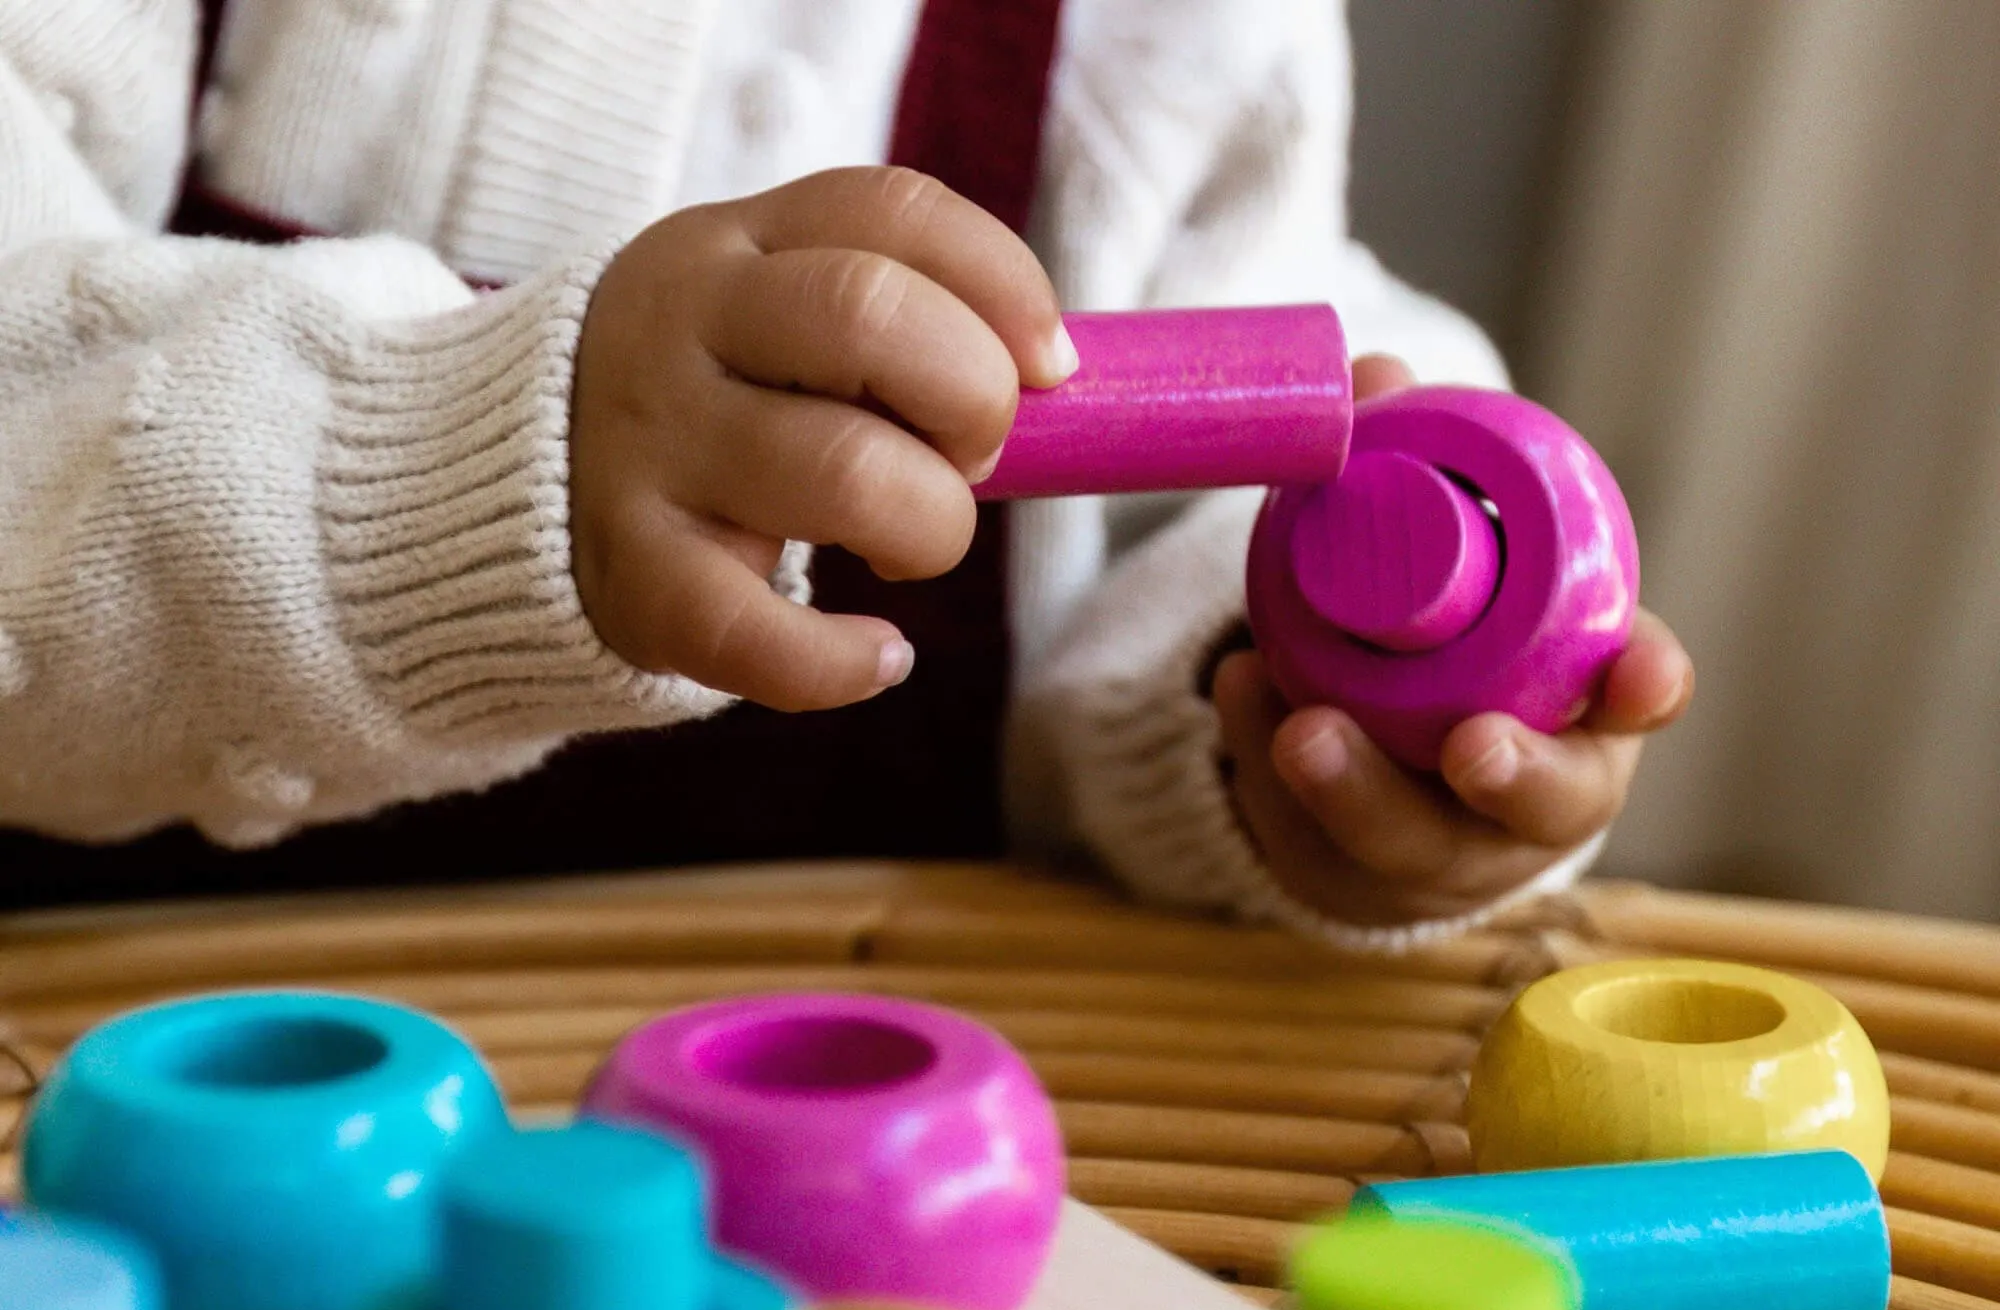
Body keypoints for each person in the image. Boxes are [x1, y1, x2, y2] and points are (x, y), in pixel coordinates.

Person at [0, 0, 1690, 943]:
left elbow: (1221, 481)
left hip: (855, 1200)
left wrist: (1308, 747)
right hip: (122, 1149)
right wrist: (469, 475)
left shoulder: (1169, 36)